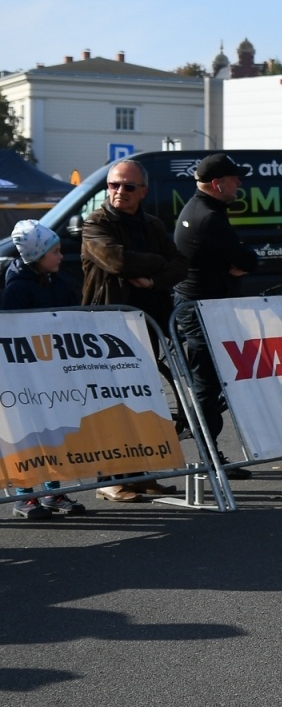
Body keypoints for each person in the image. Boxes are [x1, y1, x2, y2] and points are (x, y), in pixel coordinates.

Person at [79, 159, 189, 501]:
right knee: (111, 403)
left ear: (142, 191)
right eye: (113, 185)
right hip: (108, 327)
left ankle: (141, 474)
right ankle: (110, 480)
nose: (119, 192)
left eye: (128, 186)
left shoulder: (152, 224)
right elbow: (118, 262)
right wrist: (157, 262)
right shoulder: (96, 223)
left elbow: (181, 264)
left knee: (143, 400)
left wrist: (154, 278)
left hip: (147, 324)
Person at [171, 153, 259, 477]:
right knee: (207, 385)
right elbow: (246, 259)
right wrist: (241, 262)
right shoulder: (209, 217)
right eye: (235, 179)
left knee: (210, 383)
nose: (240, 184)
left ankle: (210, 453)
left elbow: (238, 259)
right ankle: (209, 458)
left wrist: (237, 261)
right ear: (218, 183)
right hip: (201, 310)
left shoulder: (200, 209)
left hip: (199, 306)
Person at [4, 221, 87, 518]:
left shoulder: (57, 282)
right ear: (38, 255)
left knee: (55, 432)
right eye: (55, 252)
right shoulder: (17, 287)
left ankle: (53, 489)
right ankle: (26, 495)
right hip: (26, 376)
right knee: (28, 435)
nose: (61, 256)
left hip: (54, 372)